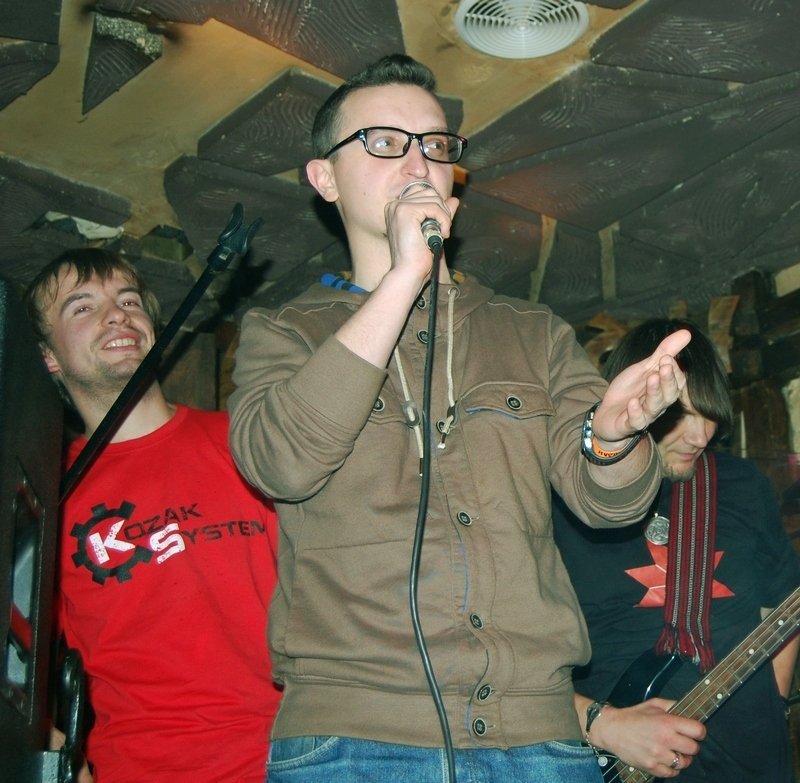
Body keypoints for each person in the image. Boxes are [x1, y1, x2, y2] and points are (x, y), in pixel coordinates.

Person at [227, 54, 692, 782]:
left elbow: (611, 504)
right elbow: (280, 462)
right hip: (352, 744)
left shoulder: (531, 331)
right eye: (385, 142)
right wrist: (406, 275)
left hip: (537, 742)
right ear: (324, 178)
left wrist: (614, 436)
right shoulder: (283, 333)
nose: (418, 162)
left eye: (435, 144)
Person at [24, 248, 282, 783]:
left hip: (300, 759)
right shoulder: (46, 498)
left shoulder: (245, 441)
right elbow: (18, 671)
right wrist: (63, 767)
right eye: (83, 307)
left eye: (128, 300)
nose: (116, 315)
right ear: (49, 356)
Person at [553, 318, 800, 782]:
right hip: (609, 762)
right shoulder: (564, 500)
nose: (700, 436)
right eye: (681, 415)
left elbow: (781, 602)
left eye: (709, 415)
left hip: (749, 764)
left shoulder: (744, 486)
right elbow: (511, 662)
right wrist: (602, 725)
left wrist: (772, 701)